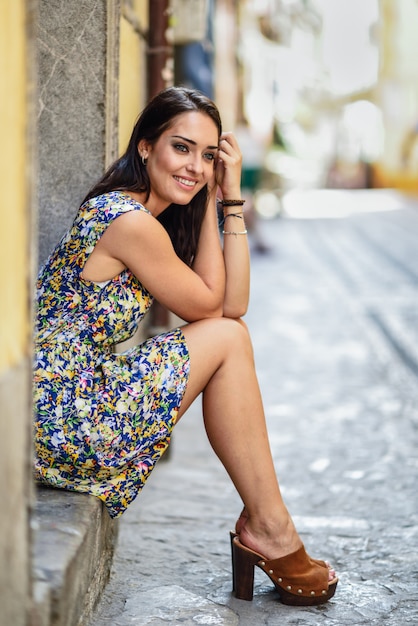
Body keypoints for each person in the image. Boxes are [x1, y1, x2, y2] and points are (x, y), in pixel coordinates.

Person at [33, 86, 338, 606]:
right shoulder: (128, 221)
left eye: (208, 154)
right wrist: (222, 199)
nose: (196, 165)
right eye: (182, 148)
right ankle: (269, 527)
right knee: (227, 338)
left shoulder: (151, 216)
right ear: (146, 146)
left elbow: (230, 303)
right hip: (62, 414)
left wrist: (220, 197)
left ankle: (269, 525)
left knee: (230, 334)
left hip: (64, 401)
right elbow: (214, 311)